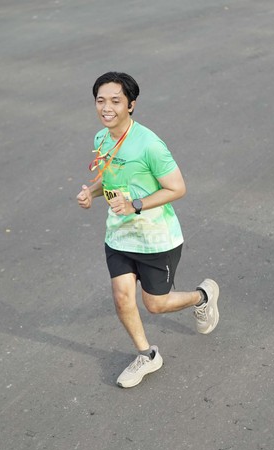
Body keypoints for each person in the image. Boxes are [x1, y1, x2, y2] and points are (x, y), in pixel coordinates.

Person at [77, 71, 219, 388]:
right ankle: (146, 355)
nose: (106, 108)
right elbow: (111, 179)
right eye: (101, 100)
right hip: (119, 235)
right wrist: (91, 192)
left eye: (116, 101)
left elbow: (177, 188)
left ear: (131, 104)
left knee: (155, 304)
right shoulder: (101, 139)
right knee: (122, 297)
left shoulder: (150, 145)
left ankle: (202, 296)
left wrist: (135, 205)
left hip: (156, 239)